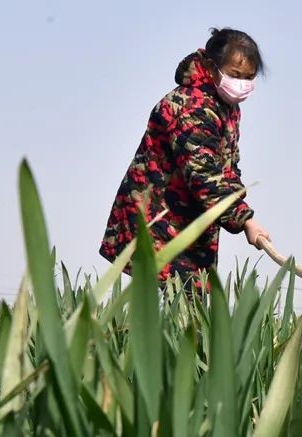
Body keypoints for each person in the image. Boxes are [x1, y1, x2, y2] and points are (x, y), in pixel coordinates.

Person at [99, 28, 270, 292]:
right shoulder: (191, 105)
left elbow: (226, 170)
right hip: (158, 220)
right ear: (212, 68)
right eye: (235, 76)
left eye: (248, 78)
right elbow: (204, 176)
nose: (241, 85)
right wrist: (244, 219)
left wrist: (243, 213)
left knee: (190, 305)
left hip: (190, 222)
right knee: (181, 310)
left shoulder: (225, 107)